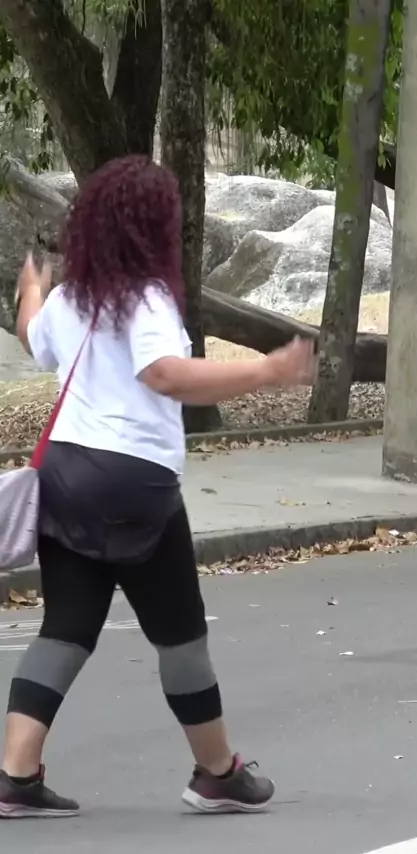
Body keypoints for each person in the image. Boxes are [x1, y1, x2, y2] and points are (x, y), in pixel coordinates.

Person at [0, 155, 315, 819]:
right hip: (133, 483)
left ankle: (15, 776)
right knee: (180, 634)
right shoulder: (146, 299)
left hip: (66, 476)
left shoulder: (72, 298)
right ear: (156, 227)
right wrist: (265, 372)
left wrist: (31, 289)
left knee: (66, 628)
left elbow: (35, 338)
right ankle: (217, 773)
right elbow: (164, 374)